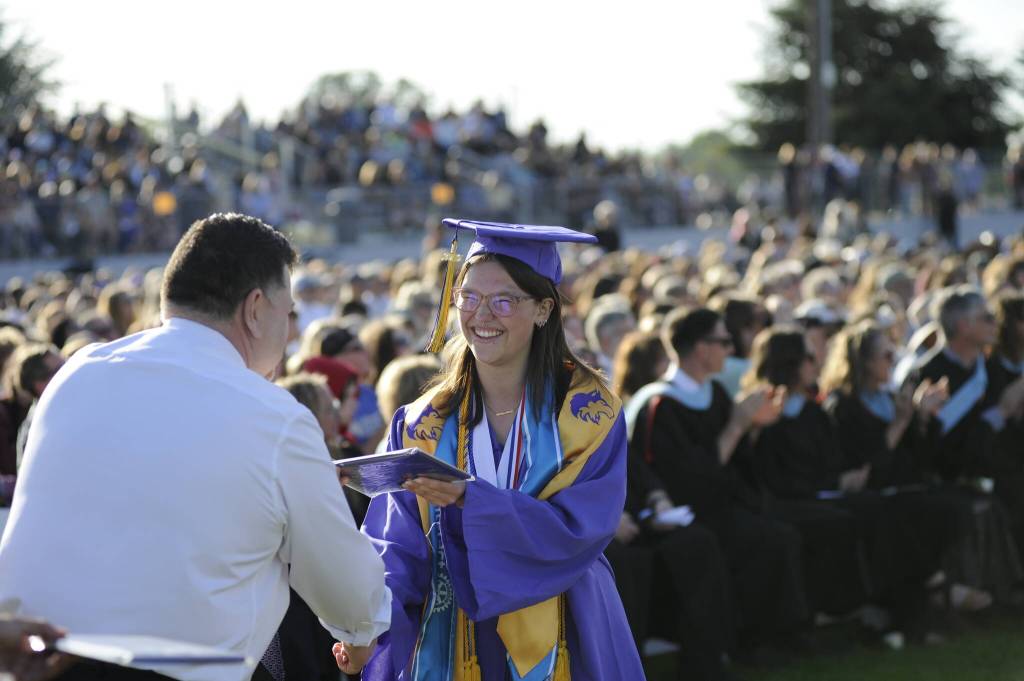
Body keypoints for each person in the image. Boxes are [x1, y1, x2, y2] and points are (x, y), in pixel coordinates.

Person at [0, 213, 390, 681]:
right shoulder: (275, 417)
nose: (289, 333)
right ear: (255, 308)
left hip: (37, 664)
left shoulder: (76, 373)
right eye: (287, 314)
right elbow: (349, 590)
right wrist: (360, 637)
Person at [346, 219, 645, 680]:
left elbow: (579, 529)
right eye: (468, 297)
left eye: (503, 300)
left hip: (564, 619)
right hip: (448, 630)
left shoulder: (589, 414)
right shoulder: (422, 423)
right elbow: (395, 544)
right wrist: (367, 628)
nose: (481, 315)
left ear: (543, 309)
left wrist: (472, 499)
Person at [624, 308, 810, 654]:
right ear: (701, 348)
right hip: (684, 512)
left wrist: (754, 427)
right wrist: (737, 426)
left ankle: (774, 635)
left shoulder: (716, 393)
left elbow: (736, 464)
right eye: (723, 341)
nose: (731, 349)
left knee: (783, 527)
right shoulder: (660, 404)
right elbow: (685, 480)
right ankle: (754, 641)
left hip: (723, 504)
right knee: (766, 539)